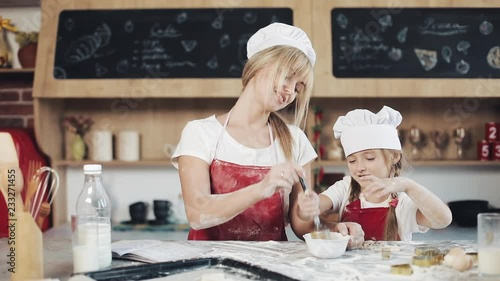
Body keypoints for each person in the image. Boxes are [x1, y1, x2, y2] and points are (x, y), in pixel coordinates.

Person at [171, 22, 363, 243]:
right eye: (288, 76)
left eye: (298, 86)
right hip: (210, 267)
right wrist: (262, 187)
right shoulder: (201, 133)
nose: (290, 91)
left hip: (271, 266)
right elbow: (197, 213)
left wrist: (336, 229)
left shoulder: (294, 140)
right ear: (260, 64)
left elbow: (303, 226)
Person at [295, 106, 452, 241]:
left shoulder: (402, 203)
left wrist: (408, 185)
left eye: (369, 158)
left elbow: (443, 220)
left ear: (394, 156)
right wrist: (308, 205)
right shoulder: (345, 188)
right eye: (352, 161)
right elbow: (307, 211)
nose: (359, 167)